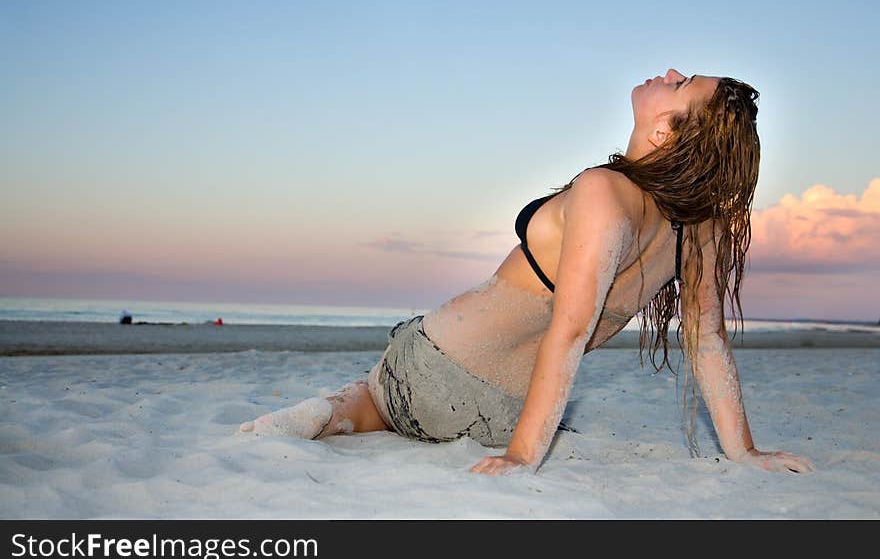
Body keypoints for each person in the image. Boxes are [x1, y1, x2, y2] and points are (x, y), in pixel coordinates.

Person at [240, 68, 816, 477]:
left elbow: (568, 330)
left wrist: (521, 458)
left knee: (374, 399)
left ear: (665, 131)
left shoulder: (604, 192)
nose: (668, 70)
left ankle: (340, 411)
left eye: (681, 82)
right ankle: (347, 414)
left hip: (439, 365)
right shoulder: (699, 225)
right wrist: (744, 451)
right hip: (506, 414)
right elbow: (708, 342)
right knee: (400, 414)